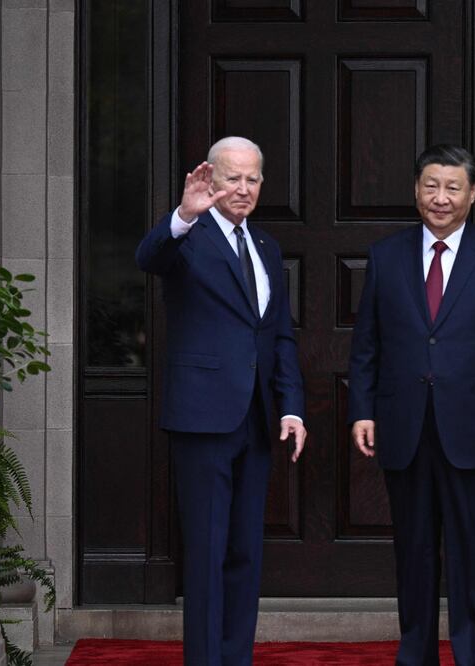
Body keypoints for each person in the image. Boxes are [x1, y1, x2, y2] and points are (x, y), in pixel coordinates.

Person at [347, 144, 475, 665]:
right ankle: (415, 655)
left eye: (452, 187)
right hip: (405, 427)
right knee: (412, 554)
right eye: (431, 186)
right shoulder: (386, 256)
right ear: (416, 190)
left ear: (472, 194)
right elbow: (368, 343)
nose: (440, 197)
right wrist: (361, 409)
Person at [136, 136, 307, 666]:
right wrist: (183, 215)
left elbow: (279, 335)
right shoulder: (189, 237)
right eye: (233, 177)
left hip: (256, 419)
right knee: (207, 554)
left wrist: (292, 406)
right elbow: (150, 256)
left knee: (244, 554)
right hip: (203, 417)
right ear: (209, 178)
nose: (244, 188)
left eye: (253, 179)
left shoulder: (267, 248)